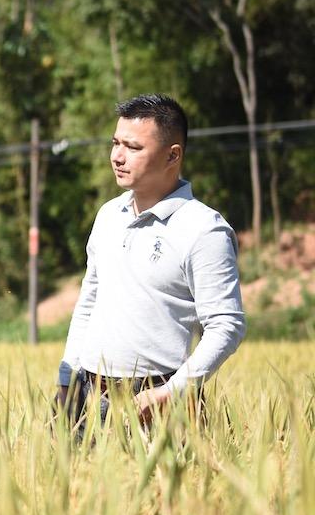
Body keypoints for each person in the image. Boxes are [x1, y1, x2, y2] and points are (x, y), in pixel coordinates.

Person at [56, 94, 246, 425]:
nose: (117, 156)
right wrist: (66, 377)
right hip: (88, 395)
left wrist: (172, 392)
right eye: (116, 143)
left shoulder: (204, 229)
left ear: (173, 155)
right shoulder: (108, 215)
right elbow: (90, 299)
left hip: (159, 401)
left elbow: (227, 326)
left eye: (133, 147)